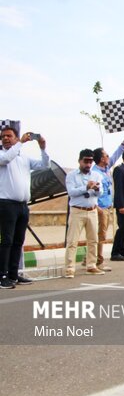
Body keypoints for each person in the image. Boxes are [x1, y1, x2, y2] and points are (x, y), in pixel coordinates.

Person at [0, 123, 49, 288]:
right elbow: (7, 159)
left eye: (9, 136)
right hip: (6, 204)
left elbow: (44, 165)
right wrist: (20, 142)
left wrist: (43, 149)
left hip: (22, 206)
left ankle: (14, 274)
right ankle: (2, 275)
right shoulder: (2, 154)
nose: (6, 138)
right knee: (6, 241)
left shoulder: (23, 157)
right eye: (3, 136)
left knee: (18, 241)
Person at [91, 134, 124, 270]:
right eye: (106, 155)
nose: (109, 157)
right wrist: (97, 207)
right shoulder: (95, 172)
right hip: (99, 207)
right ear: (102, 159)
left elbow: (115, 156)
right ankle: (98, 261)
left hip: (107, 206)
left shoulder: (106, 169)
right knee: (99, 235)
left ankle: (90, 259)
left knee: (100, 234)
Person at [64, 149, 105, 278]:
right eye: (85, 161)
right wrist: (86, 187)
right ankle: (70, 268)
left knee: (93, 240)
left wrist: (97, 189)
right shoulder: (71, 175)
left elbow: (101, 193)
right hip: (77, 211)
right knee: (72, 241)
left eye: (90, 162)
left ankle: (91, 265)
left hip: (92, 210)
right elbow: (71, 192)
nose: (88, 165)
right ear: (80, 161)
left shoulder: (97, 175)